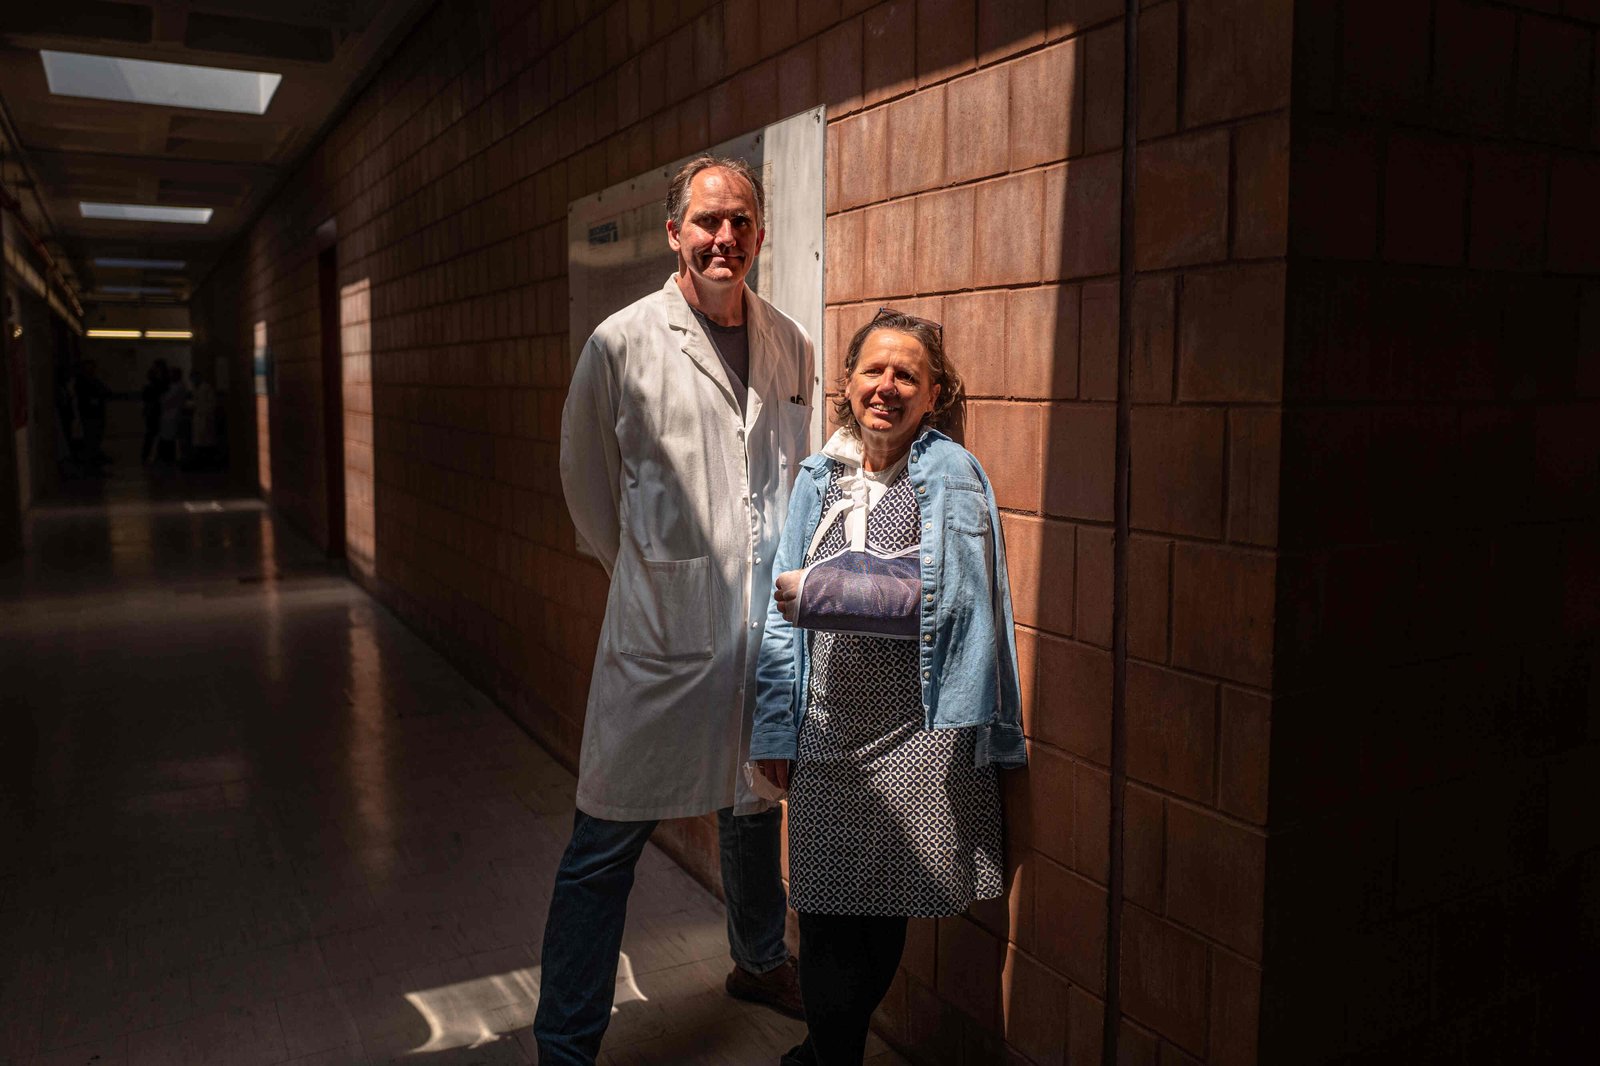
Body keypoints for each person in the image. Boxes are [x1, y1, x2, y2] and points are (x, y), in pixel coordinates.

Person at [536, 155, 816, 1066]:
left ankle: (757, 958)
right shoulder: (621, 343)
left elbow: (785, 480)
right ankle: (566, 1041)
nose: (723, 237)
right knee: (606, 837)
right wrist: (659, 578)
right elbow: (586, 486)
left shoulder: (791, 343)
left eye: (740, 221)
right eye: (706, 222)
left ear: (761, 235)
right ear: (674, 235)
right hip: (659, 636)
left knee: (753, 805)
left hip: (759, 627)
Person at [751, 309, 1027, 1066]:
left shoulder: (951, 476)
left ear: (934, 393)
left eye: (909, 373)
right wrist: (774, 728)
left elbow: (956, 601)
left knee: (879, 917)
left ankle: (825, 1053)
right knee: (825, 910)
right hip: (826, 733)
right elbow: (779, 614)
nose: (888, 386)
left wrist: (826, 591)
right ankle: (829, 1052)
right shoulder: (819, 475)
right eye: (874, 369)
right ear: (846, 382)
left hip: (916, 738)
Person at [186, 368, 217, 469]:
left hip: (206, 417)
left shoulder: (206, 388)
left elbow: (211, 404)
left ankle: (207, 463)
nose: (193, 381)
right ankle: (201, 462)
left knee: (206, 440)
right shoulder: (196, 389)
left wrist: (204, 411)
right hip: (199, 417)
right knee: (199, 440)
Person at [141, 359, 169, 464]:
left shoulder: (156, 383)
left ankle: (150, 455)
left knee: (152, 435)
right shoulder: (160, 382)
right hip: (155, 411)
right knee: (154, 434)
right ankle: (152, 455)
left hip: (155, 411)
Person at [156, 365, 186, 463]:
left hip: (173, 415)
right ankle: (167, 458)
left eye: (172, 374)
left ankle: (169, 459)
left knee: (170, 439)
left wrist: (162, 398)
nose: (170, 376)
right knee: (167, 438)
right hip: (169, 416)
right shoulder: (173, 386)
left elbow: (166, 400)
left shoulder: (179, 387)